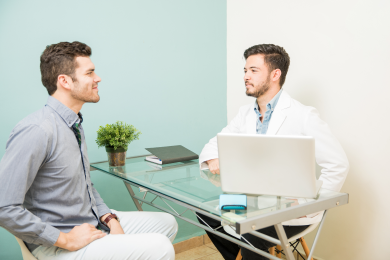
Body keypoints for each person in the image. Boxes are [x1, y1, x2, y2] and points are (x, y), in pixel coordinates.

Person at [0, 41, 177, 260]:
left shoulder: (73, 124)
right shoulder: (37, 130)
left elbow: (85, 185)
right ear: (64, 81)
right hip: (58, 241)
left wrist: (110, 219)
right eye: (90, 72)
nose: (98, 78)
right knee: (160, 247)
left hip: (90, 222)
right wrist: (66, 240)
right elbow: (3, 207)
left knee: (167, 223)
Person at [198, 44, 349, 260]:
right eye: (245, 70)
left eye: (253, 70)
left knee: (249, 230)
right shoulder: (245, 114)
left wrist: (308, 204)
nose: (246, 76)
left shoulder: (303, 115)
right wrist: (214, 158)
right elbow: (214, 144)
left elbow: (338, 164)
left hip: (289, 211)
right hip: (251, 203)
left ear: (275, 74)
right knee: (205, 212)